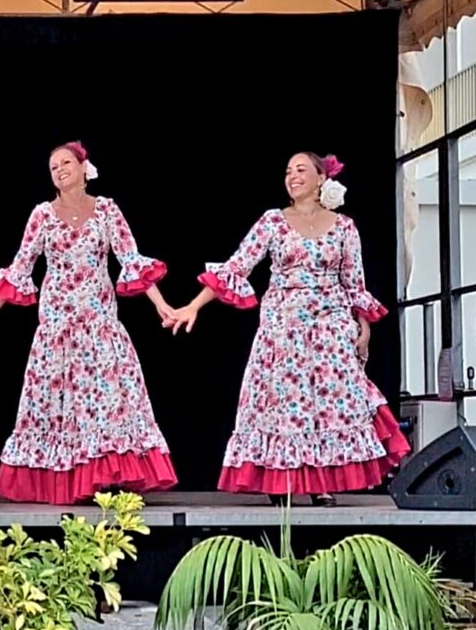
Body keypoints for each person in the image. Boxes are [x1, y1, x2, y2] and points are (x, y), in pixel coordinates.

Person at [164, 152, 408, 505]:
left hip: (330, 326)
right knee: (284, 404)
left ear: (321, 178)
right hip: (284, 328)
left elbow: (354, 283)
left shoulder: (344, 227)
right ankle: (284, 482)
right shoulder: (273, 222)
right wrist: (193, 306)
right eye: (288, 171)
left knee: (329, 404)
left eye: (301, 170)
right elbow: (237, 266)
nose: (292, 176)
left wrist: (363, 325)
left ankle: (322, 482)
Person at [0, 141, 178, 504]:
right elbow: (21, 265)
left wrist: (161, 306)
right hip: (58, 326)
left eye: (65, 162)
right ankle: (64, 480)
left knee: (107, 400)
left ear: (84, 167)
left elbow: (129, 259)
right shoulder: (42, 214)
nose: (59, 170)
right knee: (58, 405)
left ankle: (108, 477)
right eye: (53, 166)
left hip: (98, 322)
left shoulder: (106, 210)